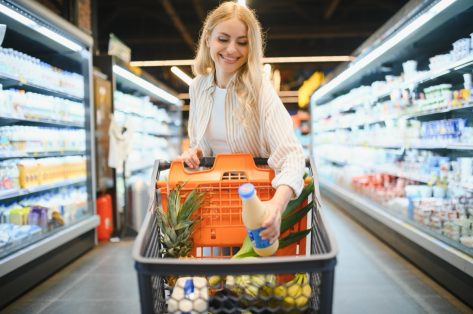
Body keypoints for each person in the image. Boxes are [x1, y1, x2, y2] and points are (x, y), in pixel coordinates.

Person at [179, 1, 306, 245]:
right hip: (216, 209)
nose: (232, 49)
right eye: (223, 39)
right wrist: (195, 153)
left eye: (242, 42)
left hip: (259, 206)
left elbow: (292, 156)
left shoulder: (260, 89)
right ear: (208, 39)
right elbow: (201, 145)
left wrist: (275, 207)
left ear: (251, 46)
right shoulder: (198, 87)